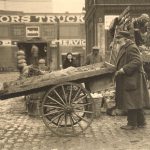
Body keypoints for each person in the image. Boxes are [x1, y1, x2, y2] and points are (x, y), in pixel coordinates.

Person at [114, 31, 150, 130]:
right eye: (117, 38)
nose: (117, 40)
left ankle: (132, 123)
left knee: (131, 101)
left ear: (125, 39)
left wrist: (123, 69)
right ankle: (141, 122)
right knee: (135, 100)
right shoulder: (125, 47)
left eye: (119, 39)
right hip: (131, 78)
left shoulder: (131, 47)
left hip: (133, 78)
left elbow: (137, 61)